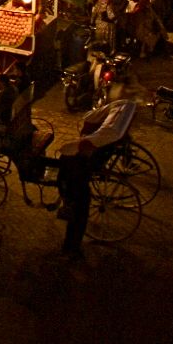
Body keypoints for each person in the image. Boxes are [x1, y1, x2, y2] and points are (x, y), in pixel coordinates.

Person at [58, 96, 138, 265]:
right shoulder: (114, 126)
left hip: (78, 181)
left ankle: (70, 248)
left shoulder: (91, 148)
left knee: (77, 210)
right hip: (82, 174)